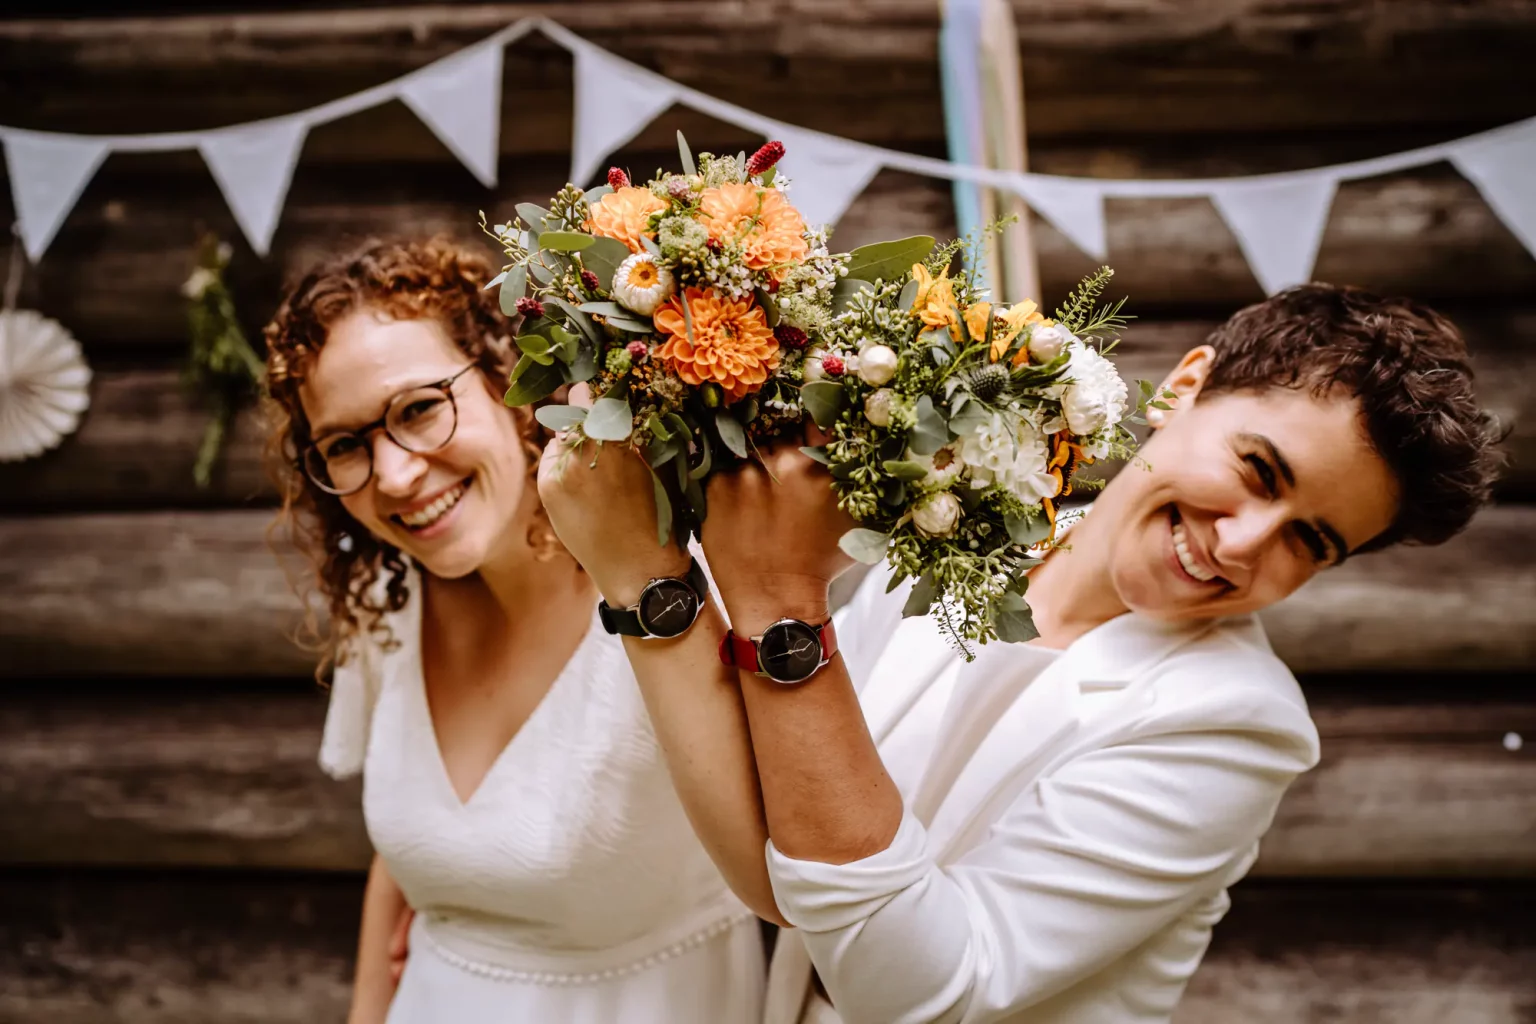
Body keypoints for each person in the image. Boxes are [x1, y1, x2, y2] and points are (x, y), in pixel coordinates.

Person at [537, 283, 1502, 1023]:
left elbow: (925, 990)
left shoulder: (1237, 722)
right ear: (1186, 385)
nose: (1246, 543)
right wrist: (649, 566)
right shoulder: (972, 531)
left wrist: (780, 602)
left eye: (1309, 542)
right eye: (1257, 472)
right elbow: (781, 857)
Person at [261, 238, 773, 1024]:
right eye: (344, 445)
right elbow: (408, 853)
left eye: (420, 409)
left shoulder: (670, 588)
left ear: (510, 376)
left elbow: (779, 879)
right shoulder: (388, 602)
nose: (394, 476)